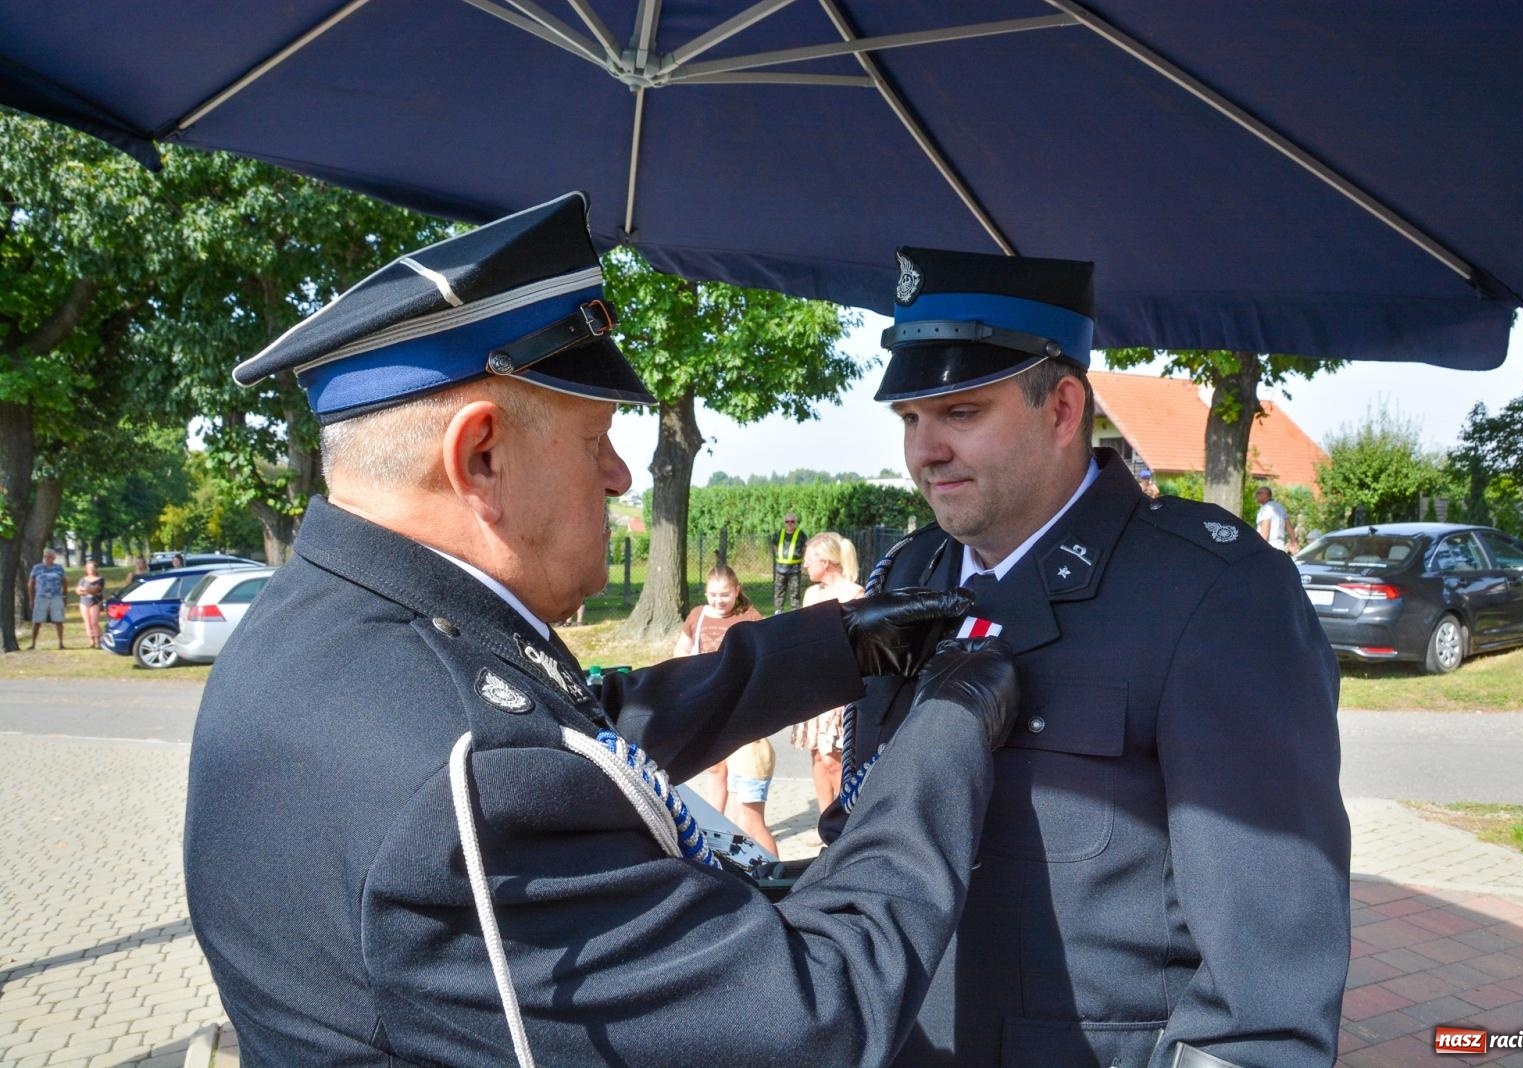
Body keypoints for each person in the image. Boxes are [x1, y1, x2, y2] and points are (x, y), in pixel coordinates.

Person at [185, 194, 1021, 1067]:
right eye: (596, 441)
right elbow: (814, 1017)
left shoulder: (321, 623)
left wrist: (831, 648)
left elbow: (574, 737)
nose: (621, 476)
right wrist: (945, 735)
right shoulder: (461, 791)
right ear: (480, 457)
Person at [824, 246, 1349, 1068]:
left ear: (1063, 408)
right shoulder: (910, 573)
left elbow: (1264, 999)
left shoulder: (1212, 594)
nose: (925, 452)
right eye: (910, 420)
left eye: (960, 413)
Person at [672, 563, 776, 853]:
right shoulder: (697, 616)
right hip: (707, 704)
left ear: (737, 591)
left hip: (740, 710)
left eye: (725, 595)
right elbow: (681, 650)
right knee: (714, 767)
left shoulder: (749, 616)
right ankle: (712, 828)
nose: (719, 601)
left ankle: (750, 845)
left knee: (746, 799)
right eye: (713, 595)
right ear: (706, 593)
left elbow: (766, 659)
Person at [790, 533, 863, 822]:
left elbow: (859, 648)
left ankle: (844, 825)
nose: (805, 565)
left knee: (834, 760)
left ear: (826, 562)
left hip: (839, 689)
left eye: (809, 560)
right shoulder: (812, 594)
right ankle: (824, 825)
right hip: (813, 686)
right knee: (817, 757)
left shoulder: (855, 594)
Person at [27, 548, 68, 650]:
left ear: (54, 558)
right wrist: (31, 599)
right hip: (41, 596)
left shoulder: (59, 568)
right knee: (37, 621)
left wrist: (64, 596)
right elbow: (31, 584)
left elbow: (64, 582)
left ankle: (61, 643)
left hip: (56, 596)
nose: (47, 558)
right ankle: (33, 643)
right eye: (45, 556)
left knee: (58, 620)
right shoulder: (37, 568)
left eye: (50, 556)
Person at [771, 512, 807, 612]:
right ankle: (778, 613)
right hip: (780, 569)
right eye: (787, 521)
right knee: (779, 593)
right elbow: (774, 545)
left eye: (792, 521)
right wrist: (779, 555)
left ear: (795, 523)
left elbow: (805, 547)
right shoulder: (778, 534)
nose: (789, 523)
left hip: (794, 569)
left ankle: (796, 613)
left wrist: (801, 560)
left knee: (795, 593)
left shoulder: (801, 535)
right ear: (784, 523)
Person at [1255, 484, 1294, 552]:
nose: (1256, 495)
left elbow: (1266, 528)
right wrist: (1294, 542)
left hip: (1268, 545)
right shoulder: (1280, 507)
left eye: (1258, 493)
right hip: (1280, 545)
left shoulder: (1266, 508)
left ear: (1265, 495)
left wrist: (1260, 547)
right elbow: (1289, 526)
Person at [76, 560, 106, 648]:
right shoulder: (82, 579)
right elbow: (78, 590)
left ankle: (98, 640)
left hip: (95, 602)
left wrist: (85, 590)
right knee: (87, 622)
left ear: (96, 569)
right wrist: (85, 590)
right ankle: (91, 640)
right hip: (84, 602)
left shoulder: (100, 579)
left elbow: (96, 589)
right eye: (89, 568)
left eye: (93, 568)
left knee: (94, 622)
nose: (91, 570)